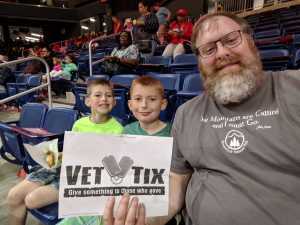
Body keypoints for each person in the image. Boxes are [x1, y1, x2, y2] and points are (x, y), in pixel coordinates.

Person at [103, 12, 300, 225]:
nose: (222, 52)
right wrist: (144, 220)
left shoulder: (294, 88)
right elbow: (175, 187)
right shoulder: (187, 113)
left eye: (231, 39)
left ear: (251, 41)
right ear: (199, 61)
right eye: (208, 49)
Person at [57, 79, 123, 225]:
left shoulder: (118, 130)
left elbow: (114, 167)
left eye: (109, 95)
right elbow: (71, 153)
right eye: (98, 95)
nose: (104, 99)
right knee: (29, 198)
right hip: (72, 177)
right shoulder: (78, 124)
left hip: (94, 183)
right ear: (87, 101)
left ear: (114, 101)